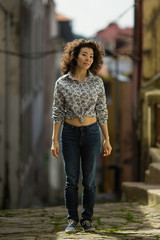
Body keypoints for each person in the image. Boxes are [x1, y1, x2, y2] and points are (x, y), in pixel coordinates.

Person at [51, 39, 112, 233]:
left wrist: (106, 138)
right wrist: (54, 140)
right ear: (75, 56)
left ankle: (87, 220)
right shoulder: (61, 83)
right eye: (84, 54)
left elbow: (102, 110)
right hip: (69, 134)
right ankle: (71, 220)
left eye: (92, 56)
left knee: (90, 180)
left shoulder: (97, 82)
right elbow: (57, 112)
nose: (88, 59)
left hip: (92, 133)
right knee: (71, 179)